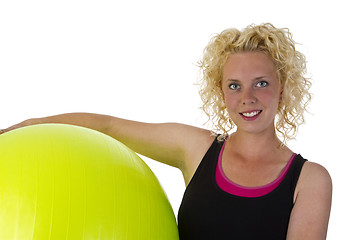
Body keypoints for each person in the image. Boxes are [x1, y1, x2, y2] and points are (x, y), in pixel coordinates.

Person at [0, 23, 332, 239]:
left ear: (284, 88)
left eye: (261, 83)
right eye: (234, 86)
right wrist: (26, 128)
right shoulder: (197, 149)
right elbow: (108, 126)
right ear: (221, 92)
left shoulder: (309, 180)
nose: (248, 98)